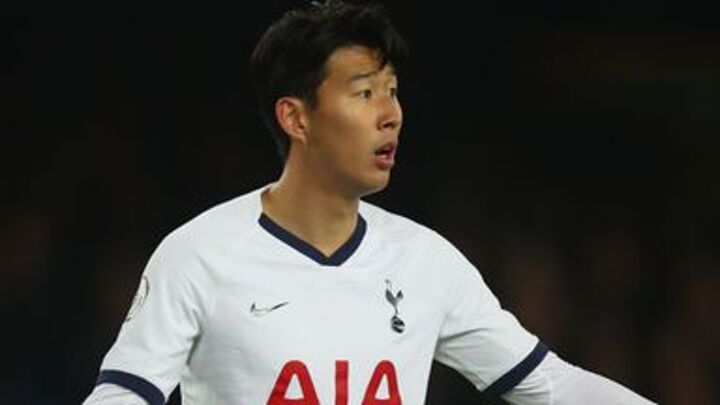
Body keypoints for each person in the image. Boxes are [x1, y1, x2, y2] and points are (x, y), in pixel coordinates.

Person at [83, 1, 656, 404]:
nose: (391, 114)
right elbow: (124, 395)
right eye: (363, 92)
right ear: (296, 117)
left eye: (393, 91)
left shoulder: (426, 261)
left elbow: (550, 385)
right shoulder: (198, 255)